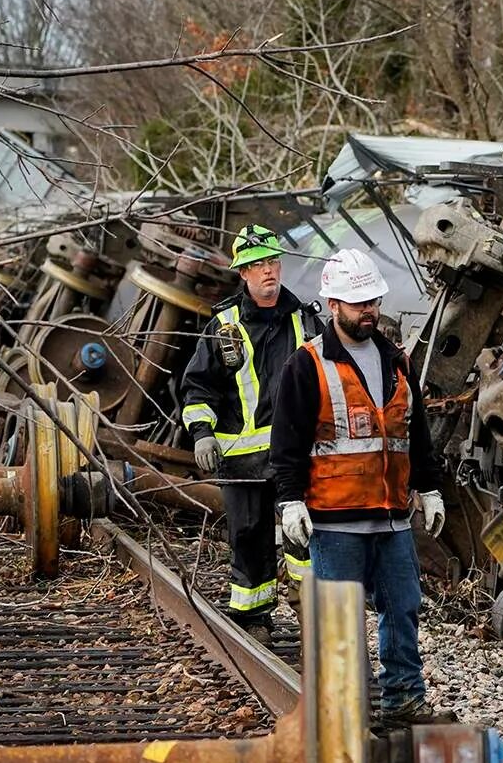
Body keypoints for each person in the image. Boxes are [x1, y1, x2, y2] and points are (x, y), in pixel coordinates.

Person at [269, 247, 448, 725]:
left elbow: (417, 433)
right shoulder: (308, 365)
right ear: (333, 306)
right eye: (358, 302)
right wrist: (289, 501)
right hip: (336, 517)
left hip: (392, 516)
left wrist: (428, 488)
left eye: (372, 300)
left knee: (403, 608)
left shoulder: (397, 361)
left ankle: (404, 700)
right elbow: (286, 442)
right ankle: (343, 712)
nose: (368, 309)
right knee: (340, 621)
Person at [178, 224, 317, 631]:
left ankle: (312, 615)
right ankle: (253, 618)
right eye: (257, 265)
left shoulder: (304, 320)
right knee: (249, 537)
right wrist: (202, 433)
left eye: (272, 261)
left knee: (304, 538)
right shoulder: (224, 326)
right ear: (243, 273)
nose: (268, 271)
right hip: (241, 460)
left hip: (295, 458)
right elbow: (198, 386)